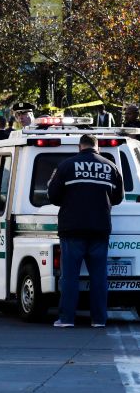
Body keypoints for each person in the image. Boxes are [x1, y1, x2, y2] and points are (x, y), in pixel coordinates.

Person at [47, 134, 123, 328]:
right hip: (100, 228)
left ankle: (66, 319)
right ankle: (99, 320)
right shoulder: (111, 167)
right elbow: (118, 198)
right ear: (97, 147)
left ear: (80, 147)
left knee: (70, 276)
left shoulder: (66, 166)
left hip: (72, 229)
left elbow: (53, 196)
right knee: (99, 276)